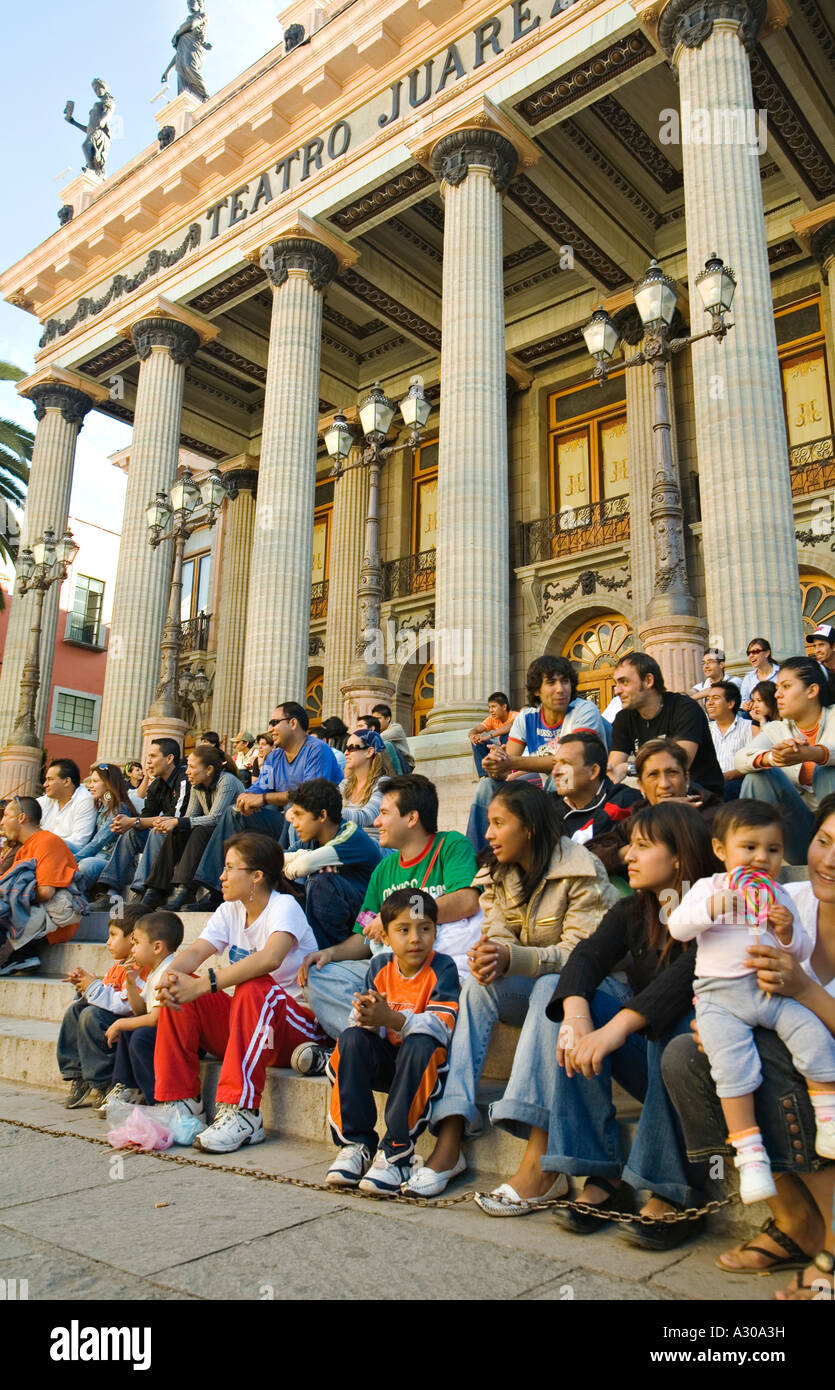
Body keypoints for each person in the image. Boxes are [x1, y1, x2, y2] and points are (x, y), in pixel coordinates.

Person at [405, 781, 618, 1203]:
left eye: (499, 823)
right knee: (476, 990)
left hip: (594, 993)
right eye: (489, 823)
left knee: (548, 987)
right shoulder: (500, 874)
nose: (488, 834)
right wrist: (490, 956)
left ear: (531, 829)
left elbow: (583, 956)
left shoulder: (581, 868)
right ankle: (450, 1135)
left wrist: (511, 957)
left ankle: (538, 1161)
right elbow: (497, 931)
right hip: (539, 986)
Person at [661, 793, 835, 1297]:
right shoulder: (789, 897)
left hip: (817, 1063)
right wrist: (711, 1016)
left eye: (773, 849)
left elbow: (792, 983)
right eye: (824, 841)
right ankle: (792, 1216)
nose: (830, 859)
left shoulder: (782, 905)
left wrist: (801, 987)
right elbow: (700, 945)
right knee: (686, 1055)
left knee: (779, 1054)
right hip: (766, 1029)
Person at [542, 802, 720, 1248]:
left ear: (679, 856)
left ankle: (670, 1192)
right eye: (630, 846)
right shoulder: (634, 910)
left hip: (706, 1075)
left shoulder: (714, 905)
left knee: (676, 1021)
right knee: (573, 1009)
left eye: (642, 846)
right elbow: (586, 956)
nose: (628, 856)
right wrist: (578, 1018)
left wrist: (618, 1027)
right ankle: (601, 1174)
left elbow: (687, 979)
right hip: (654, 1067)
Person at [154, 833, 323, 1152]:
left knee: (254, 983)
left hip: (293, 1029)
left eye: (230, 867)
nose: (221, 876)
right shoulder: (229, 910)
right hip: (250, 1029)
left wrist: (205, 983)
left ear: (257, 876)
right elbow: (196, 951)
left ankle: (243, 1113)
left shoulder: (283, 906)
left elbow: (270, 958)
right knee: (181, 983)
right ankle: (181, 1104)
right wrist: (169, 977)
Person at [299, 775, 482, 1071]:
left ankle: (395, 1041)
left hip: (435, 969)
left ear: (411, 818)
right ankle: (376, 1043)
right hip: (388, 973)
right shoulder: (385, 868)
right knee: (320, 977)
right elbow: (363, 933)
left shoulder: (450, 845)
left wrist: (400, 917)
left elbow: (466, 901)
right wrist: (330, 954)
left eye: (384, 813)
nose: (377, 821)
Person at [326, 888, 459, 1194]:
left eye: (425, 928)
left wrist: (393, 1019)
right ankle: (356, 1145)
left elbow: (441, 1027)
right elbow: (363, 1022)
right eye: (403, 930)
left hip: (423, 1068)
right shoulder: (379, 966)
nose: (415, 938)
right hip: (389, 1062)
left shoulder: (443, 968)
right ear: (385, 937)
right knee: (351, 1038)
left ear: (436, 932)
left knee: (422, 1042)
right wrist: (367, 1018)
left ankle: (397, 1153)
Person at [189, 702, 343, 904]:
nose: (270, 729)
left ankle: (285, 885)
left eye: (274, 722)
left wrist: (262, 799)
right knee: (233, 812)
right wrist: (245, 799)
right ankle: (216, 890)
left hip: (316, 823)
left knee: (296, 810)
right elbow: (260, 787)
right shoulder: (274, 757)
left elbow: (310, 795)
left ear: (293, 723)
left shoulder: (317, 750)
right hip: (283, 819)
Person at [466, 655, 610, 852]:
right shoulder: (527, 717)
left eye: (565, 681)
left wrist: (510, 761)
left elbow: (570, 762)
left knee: (562, 772)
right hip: (548, 794)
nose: (561, 689)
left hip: (582, 790)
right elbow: (504, 772)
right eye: (551, 682)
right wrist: (495, 763)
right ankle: (480, 862)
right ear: (536, 690)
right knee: (486, 786)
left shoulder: (584, 710)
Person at [736, 655, 835, 863]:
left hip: (830, 826)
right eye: (777, 687)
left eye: (786, 686)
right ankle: (747, 864)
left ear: (812, 691)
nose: (777, 694)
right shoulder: (776, 729)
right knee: (758, 776)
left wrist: (815, 753)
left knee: (826, 770)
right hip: (800, 833)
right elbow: (741, 758)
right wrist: (774, 757)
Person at [587, 737, 722, 876]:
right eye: (653, 775)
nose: (664, 784)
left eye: (672, 772)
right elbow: (589, 857)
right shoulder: (639, 814)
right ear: (641, 785)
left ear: (686, 778)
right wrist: (634, 850)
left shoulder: (714, 814)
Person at [58, 904, 148, 1109]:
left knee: (90, 1015)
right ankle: (77, 1074)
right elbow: (103, 996)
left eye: (113, 935)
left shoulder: (140, 967)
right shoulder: (117, 967)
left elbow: (125, 1005)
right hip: (110, 1022)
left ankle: (104, 1082)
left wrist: (93, 987)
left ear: (133, 938)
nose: (108, 942)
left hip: (129, 1024)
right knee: (76, 1010)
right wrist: (83, 987)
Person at [139, 745, 244, 910]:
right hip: (212, 832)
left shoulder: (227, 781)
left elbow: (217, 818)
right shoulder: (196, 786)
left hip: (235, 834)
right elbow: (189, 817)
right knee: (179, 830)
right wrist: (173, 823)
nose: (187, 771)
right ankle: (155, 890)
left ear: (209, 769)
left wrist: (179, 822)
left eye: (192, 767)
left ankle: (185, 889)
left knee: (197, 829)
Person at [607, 652, 724, 799]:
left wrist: (628, 767)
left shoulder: (685, 708)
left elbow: (678, 764)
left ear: (648, 680)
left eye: (624, 682)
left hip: (698, 794)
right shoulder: (624, 717)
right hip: (655, 793)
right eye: (616, 683)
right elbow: (614, 769)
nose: (617, 691)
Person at [283, 778, 382, 949]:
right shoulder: (312, 838)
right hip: (341, 913)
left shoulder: (351, 834)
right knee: (268, 876)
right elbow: (273, 859)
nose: (294, 823)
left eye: (299, 815)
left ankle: (324, 951)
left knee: (320, 879)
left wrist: (302, 859)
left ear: (322, 815)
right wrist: (300, 856)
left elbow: (303, 867)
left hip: (367, 918)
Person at [101, 910, 184, 1110]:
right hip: (164, 1029)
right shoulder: (155, 969)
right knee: (132, 1030)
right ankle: (127, 1087)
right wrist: (130, 984)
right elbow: (140, 1011)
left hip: (182, 1036)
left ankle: (157, 1098)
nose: (132, 947)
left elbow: (155, 1019)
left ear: (157, 947)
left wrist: (120, 1023)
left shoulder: (168, 971)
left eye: (136, 942)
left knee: (140, 1036)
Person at [95, 739, 189, 900]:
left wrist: (133, 821)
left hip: (184, 835)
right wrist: (127, 824)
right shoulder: (156, 785)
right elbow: (145, 818)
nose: (148, 762)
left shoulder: (183, 779)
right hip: (163, 833)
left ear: (169, 758)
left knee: (156, 831)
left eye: (153, 756)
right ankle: (109, 892)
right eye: (147, 756)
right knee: (131, 834)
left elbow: (176, 819)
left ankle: (141, 890)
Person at [0, 797, 82, 976]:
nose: (2, 822)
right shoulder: (23, 849)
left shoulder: (47, 841)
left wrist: (18, 895)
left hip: (55, 917)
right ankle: (22, 957)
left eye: (6, 815)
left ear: (22, 818)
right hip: (32, 915)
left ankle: (17, 955)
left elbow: (46, 892)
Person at [549, 732, 640, 844]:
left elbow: (578, 846)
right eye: (554, 764)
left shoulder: (623, 799)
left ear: (593, 771)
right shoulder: (548, 803)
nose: (555, 772)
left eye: (566, 764)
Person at [71, 763, 135, 894]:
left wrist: (73, 859)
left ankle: (80, 899)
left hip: (113, 862)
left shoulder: (119, 809)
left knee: (86, 865)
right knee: (62, 845)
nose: (90, 786)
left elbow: (99, 841)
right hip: (98, 856)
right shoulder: (102, 808)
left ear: (108, 784)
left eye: (95, 782)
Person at [704, 680, 751, 800]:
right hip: (710, 783)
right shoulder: (705, 729)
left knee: (728, 788)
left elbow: (753, 764)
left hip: (737, 784)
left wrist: (727, 776)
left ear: (730, 703)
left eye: (715, 698)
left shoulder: (748, 727)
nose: (709, 703)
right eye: (708, 699)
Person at [340, 727, 390, 840]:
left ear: (369, 752)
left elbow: (367, 817)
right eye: (345, 748)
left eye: (351, 748)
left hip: (373, 845)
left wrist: (327, 811)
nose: (345, 753)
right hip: (348, 843)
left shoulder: (383, 783)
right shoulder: (345, 783)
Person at [37, 759, 96, 851]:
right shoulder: (45, 800)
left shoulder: (84, 800)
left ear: (67, 781)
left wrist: (46, 842)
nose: (45, 784)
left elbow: (79, 843)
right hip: (39, 849)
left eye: (50, 779)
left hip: (65, 855)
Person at [467, 692, 519, 777]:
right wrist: (472, 736)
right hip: (500, 749)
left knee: (505, 735)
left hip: (514, 751)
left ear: (504, 707)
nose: (491, 710)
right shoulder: (492, 719)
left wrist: (489, 736)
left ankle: (510, 770)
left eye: (494, 706)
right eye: (489, 707)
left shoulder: (515, 715)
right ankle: (486, 775)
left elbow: (510, 726)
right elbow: (475, 729)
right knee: (478, 742)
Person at [371, 704, 414, 773]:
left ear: (388, 719)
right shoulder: (376, 731)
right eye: (374, 719)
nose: (375, 722)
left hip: (404, 766)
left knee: (387, 744)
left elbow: (379, 738)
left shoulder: (396, 728)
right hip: (388, 765)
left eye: (378, 718)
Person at [740, 637, 780, 712]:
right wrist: (745, 705)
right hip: (755, 716)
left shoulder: (781, 673)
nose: (751, 655)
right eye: (748, 653)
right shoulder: (748, 677)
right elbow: (743, 700)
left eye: (755, 651)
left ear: (767, 653)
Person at [807, 623, 835, 700]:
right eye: (815, 646)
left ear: (833, 646)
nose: (817, 650)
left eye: (821, 645)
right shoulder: (812, 670)